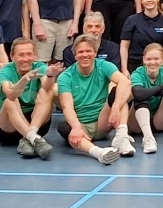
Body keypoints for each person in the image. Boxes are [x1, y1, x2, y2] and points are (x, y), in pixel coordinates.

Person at [56, 34, 134, 163]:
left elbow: (125, 82)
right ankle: (98, 152)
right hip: (82, 126)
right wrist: (76, 127)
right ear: (75, 55)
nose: (85, 55)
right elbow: (66, 106)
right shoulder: (65, 76)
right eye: (81, 52)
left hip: (104, 121)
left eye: (88, 51)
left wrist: (115, 108)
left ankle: (122, 137)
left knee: (120, 92)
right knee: (65, 128)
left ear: (95, 53)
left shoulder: (104, 66)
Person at [0, 38, 59, 159]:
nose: (25, 59)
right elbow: (10, 94)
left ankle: (30, 136)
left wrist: (50, 75)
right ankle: (33, 138)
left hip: (36, 124)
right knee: (10, 101)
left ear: (35, 55)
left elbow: (46, 86)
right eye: (21, 55)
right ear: (12, 56)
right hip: (10, 129)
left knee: (49, 91)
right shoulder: (5, 72)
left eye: (29, 54)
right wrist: (24, 80)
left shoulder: (40, 67)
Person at [120, 0, 163, 75]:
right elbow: (124, 46)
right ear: (141, 0)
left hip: (156, 66)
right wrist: (124, 69)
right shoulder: (131, 20)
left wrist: (162, 67)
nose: (149, 0)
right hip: (135, 65)